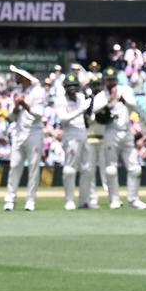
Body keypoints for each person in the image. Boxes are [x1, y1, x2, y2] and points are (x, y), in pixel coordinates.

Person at [93, 67, 146, 209]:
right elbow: (95, 111)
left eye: (112, 79)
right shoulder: (101, 95)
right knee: (111, 168)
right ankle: (114, 200)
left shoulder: (126, 90)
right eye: (108, 80)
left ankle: (133, 199)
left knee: (135, 168)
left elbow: (134, 106)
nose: (110, 82)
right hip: (111, 131)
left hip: (126, 131)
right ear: (104, 81)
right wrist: (110, 101)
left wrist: (123, 100)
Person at [4, 66, 46, 212]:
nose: (15, 77)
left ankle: (30, 200)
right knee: (14, 166)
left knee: (34, 167)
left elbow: (39, 114)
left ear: (25, 77)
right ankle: (10, 200)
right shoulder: (16, 92)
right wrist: (16, 106)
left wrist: (25, 105)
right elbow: (11, 117)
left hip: (34, 132)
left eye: (18, 75)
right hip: (19, 132)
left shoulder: (38, 92)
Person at [56, 72, 92, 210]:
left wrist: (90, 106)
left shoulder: (81, 97)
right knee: (70, 169)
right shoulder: (61, 100)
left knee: (87, 169)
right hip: (70, 134)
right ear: (65, 88)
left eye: (74, 86)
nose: (72, 89)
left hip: (84, 132)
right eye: (69, 86)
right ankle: (69, 200)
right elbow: (63, 118)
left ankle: (84, 200)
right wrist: (81, 110)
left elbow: (88, 115)